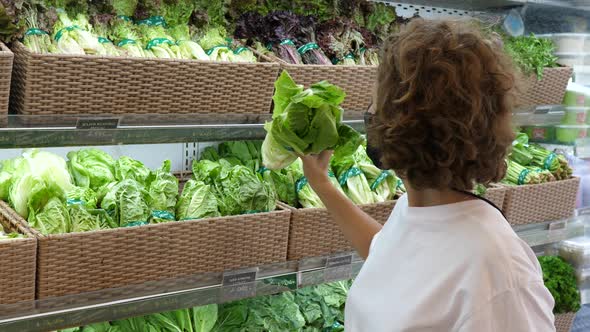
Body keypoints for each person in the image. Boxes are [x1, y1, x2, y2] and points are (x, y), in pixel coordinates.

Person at [300, 19, 556, 331]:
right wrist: (323, 185)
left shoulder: (497, 272)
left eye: (376, 101)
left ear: (404, 120)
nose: (370, 111)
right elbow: (390, 261)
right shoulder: (418, 208)